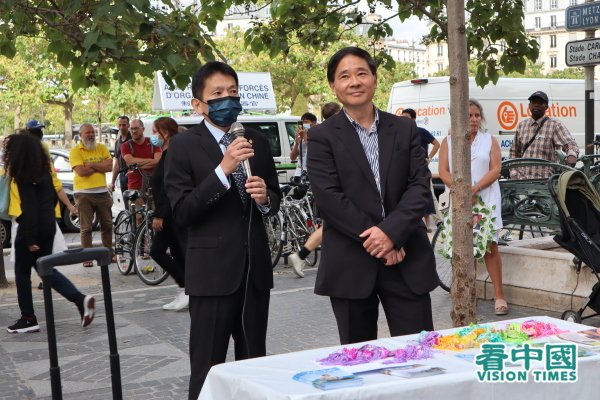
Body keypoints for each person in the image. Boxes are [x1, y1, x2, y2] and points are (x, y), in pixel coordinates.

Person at [165, 61, 281, 399]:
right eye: (217, 94)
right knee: (207, 369)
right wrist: (223, 170)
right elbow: (183, 212)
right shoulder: (183, 147)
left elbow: (273, 196)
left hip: (254, 274)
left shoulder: (254, 138)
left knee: (254, 366)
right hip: (212, 276)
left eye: (232, 92)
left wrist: (265, 198)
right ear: (198, 104)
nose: (226, 99)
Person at [307, 47, 438, 345]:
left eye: (361, 73)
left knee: (421, 354)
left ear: (375, 80)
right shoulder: (321, 137)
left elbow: (419, 185)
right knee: (359, 363)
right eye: (345, 76)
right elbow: (329, 198)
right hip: (351, 265)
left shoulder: (404, 128)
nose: (354, 82)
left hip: (406, 259)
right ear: (333, 86)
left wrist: (392, 234)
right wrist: (380, 240)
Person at [5, 134, 95, 333]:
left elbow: (28, 205)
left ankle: (28, 318)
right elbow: (53, 199)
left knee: (22, 273)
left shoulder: (23, 174)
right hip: (48, 226)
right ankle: (80, 299)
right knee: (45, 269)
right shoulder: (44, 171)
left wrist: (29, 237)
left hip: (30, 228)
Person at [438, 99, 507, 315]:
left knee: (489, 246)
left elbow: (496, 169)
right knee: (465, 247)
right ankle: (469, 294)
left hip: (486, 198)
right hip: (461, 201)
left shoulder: (490, 140)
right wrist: (462, 191)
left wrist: (475, 189)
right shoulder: (448, 142)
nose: (474, 119)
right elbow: (443, 171)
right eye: (469, 115)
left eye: (477, 115)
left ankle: (499, 296)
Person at [288, 102, 341, 277]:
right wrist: (299, 141)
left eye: (308, 123)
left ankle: (303, 254)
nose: (305, 126)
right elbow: (295, 155)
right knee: (332, 222)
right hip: (317, 180)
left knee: (332, 222)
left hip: (323, 181)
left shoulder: (320, 132)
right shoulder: (324, 133)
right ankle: (302, 253)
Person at [148, 117, 188, 311]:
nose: (152, 136)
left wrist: (159, 214)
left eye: (155, 132)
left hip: (169, 212)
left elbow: (167, 187)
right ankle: (187, 289)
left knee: (157, 251)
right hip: (169, 211)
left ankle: (186, 287)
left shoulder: (171, 153)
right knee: (178, 252)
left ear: (164, 133)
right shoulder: (166, 153)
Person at [69, 123, 114, 267]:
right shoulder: (76, 151)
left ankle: (108, 254)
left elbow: (109, 166)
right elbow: (81, 172)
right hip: (83, 194)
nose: (91, 135)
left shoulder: (101, 147)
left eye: (92, 132)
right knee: (86, 227)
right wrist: (99, 165)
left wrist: (91, 165)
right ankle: (87, 257)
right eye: (87, 133)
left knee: (107, 225)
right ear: (81, 135)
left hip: (102, 192)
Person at [509, 90, 579, 179]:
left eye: (540, 103)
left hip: (545, 181)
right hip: (523, 181)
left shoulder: (555, 125)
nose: (536, 105)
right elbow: (514, 152)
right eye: (533, 102)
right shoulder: (522, 126)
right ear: (529, 106)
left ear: (546, 107)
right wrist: (514, 173)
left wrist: (572, 155)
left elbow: (570, 144)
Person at [401, 108, 440, 232]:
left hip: (421, 168)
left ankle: (430, 223)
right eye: (402, 117)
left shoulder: (421, 131)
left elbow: (437, 144)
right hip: (406, 169)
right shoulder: (402, 133)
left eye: (406, 117)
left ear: (413, 119)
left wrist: (429, 158)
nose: (403, 120)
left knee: (427, 194)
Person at [121, 119, 162, 217]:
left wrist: (137, 164)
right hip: (135, 186)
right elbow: (129, 161)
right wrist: (151, 161)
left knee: (155, 217)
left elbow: (158, 161)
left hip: (153, 186)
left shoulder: (153, 142)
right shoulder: (126, 145)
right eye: (131, 129)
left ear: (143, 129)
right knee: (138, 218)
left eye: (136, 128)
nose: (133, 131)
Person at [290, 112, 317, 180]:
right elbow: (292, 157)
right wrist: (296, 143)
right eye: (303, 123)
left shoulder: (318, 135)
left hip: (313, 173)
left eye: (306, 122)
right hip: (299, 173)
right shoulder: (299, 136)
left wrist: (305, 137)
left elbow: (315, 151)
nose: (304, 124)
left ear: (314, 123)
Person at [108, 115, 132, 194]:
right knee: (126, 202)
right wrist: (112, 182)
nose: (121, 127)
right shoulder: (118, 142)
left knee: (135, 202)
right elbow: (116, 163)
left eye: (124, 125)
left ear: (128, 125)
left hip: (133, 174)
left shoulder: (133, 139)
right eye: (120, 125)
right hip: (122, 175)